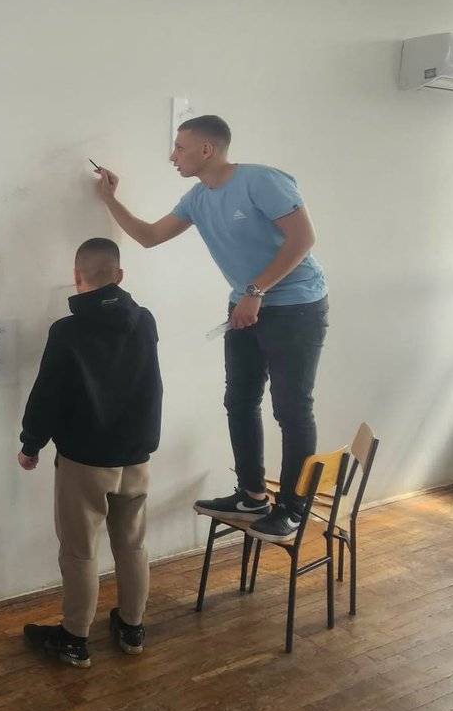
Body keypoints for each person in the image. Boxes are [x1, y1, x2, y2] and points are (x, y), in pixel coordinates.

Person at [95, 115, 328, 543]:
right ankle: (252, 497)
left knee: (292, 408)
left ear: (207, 149)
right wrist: (110, 199)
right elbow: (149, 236)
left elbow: (303, 239)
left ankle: (293, 509)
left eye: (180, 148)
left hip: (296, 306)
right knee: (239, 400)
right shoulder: (197, 198)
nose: (173, 156)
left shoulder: (262, 181)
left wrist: (256, 291)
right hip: (246, 303)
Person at [18, 238, 162, 667]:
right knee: (132, 544)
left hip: (85, 459)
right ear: (120, 276)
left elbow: (47, 395)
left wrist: (31, 443)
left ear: (76, 277)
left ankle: (74, 638)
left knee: (80, 551)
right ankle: (132, 627)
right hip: (136, 457)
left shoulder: (67, 331)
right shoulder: (145, 321)